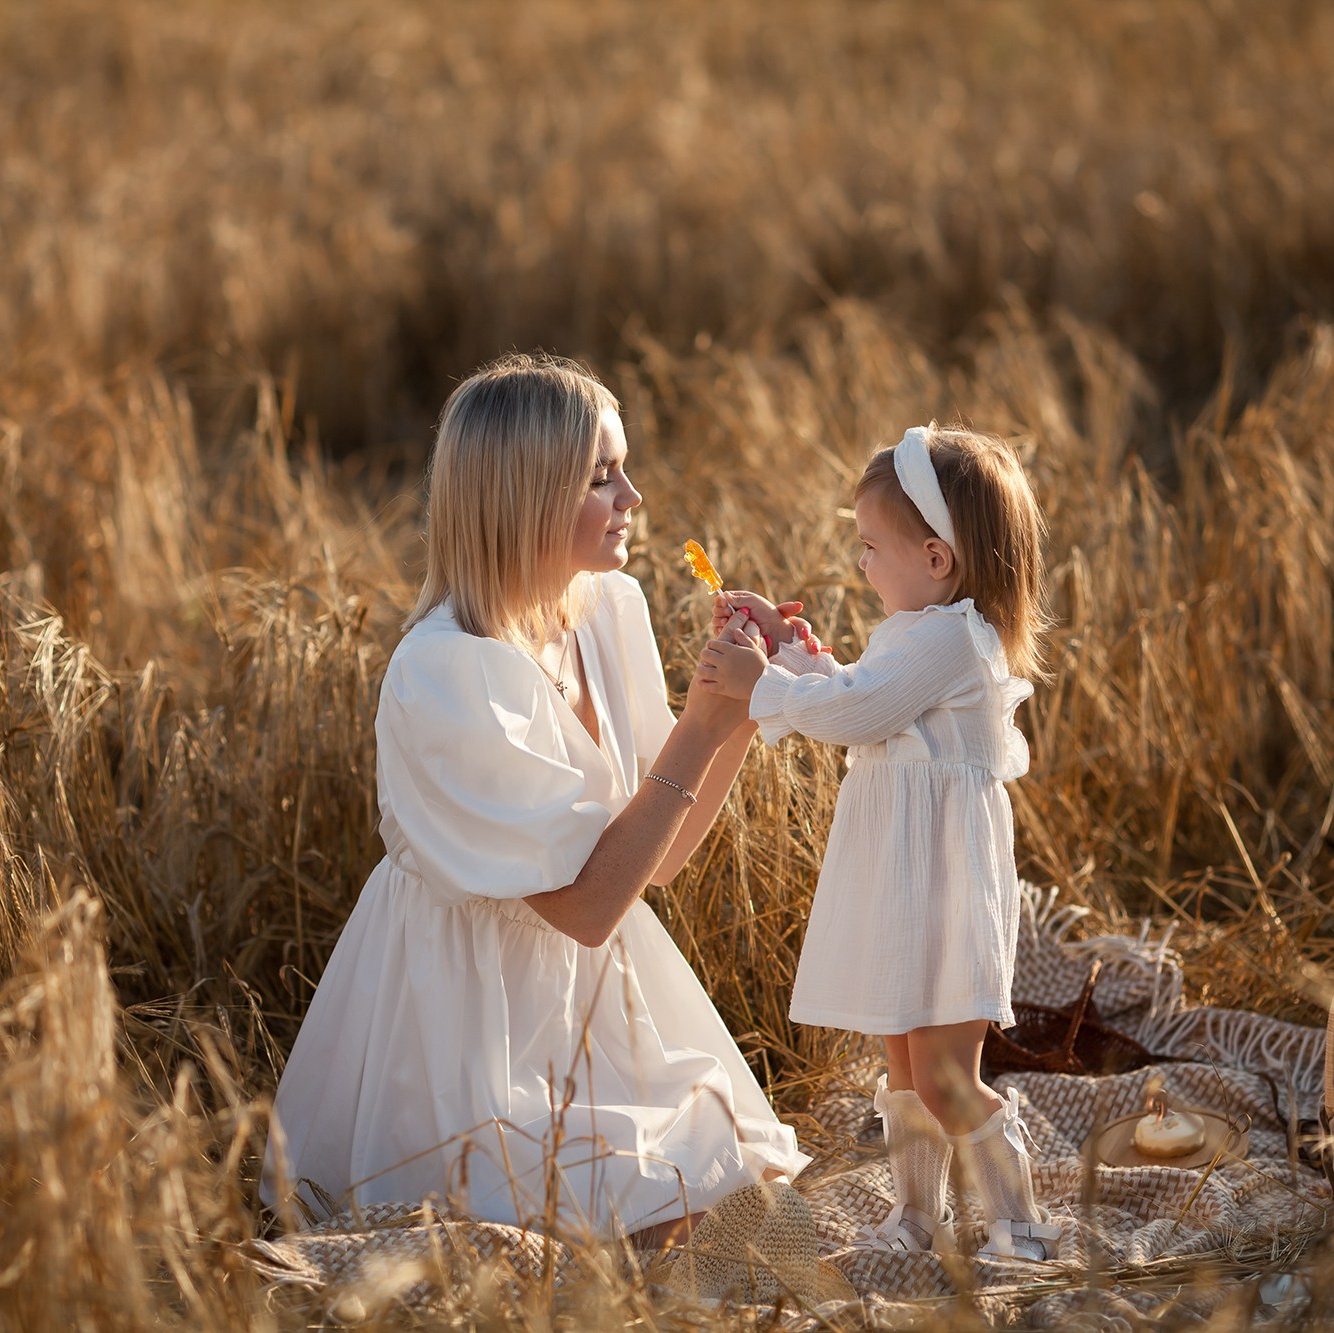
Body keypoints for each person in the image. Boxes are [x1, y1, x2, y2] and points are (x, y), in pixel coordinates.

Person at [261, 352, 809, 1245]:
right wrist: (700, 726)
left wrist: (742, 711)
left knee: (743, 1192)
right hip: (469, 1022)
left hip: (591, 1001)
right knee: (609, 1226)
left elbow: (652, 863)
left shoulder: (607, 607)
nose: (632, 495)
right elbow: (587, 905)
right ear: (524, 495)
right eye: (602, 476)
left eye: (624, 466)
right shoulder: (445, 672)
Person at [696, 424, 1059, 1261]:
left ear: (938, 558)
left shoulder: (951, 637)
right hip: (907, 874)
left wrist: (767, 686)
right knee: (901, 1066)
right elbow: (864, 698)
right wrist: (791, 656)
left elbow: (861, 713)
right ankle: (915, 1216)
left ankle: (1020, 1221)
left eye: (870, 546)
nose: (859, 563)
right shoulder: (917, 631)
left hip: (942, 882)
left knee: (942, 1074)